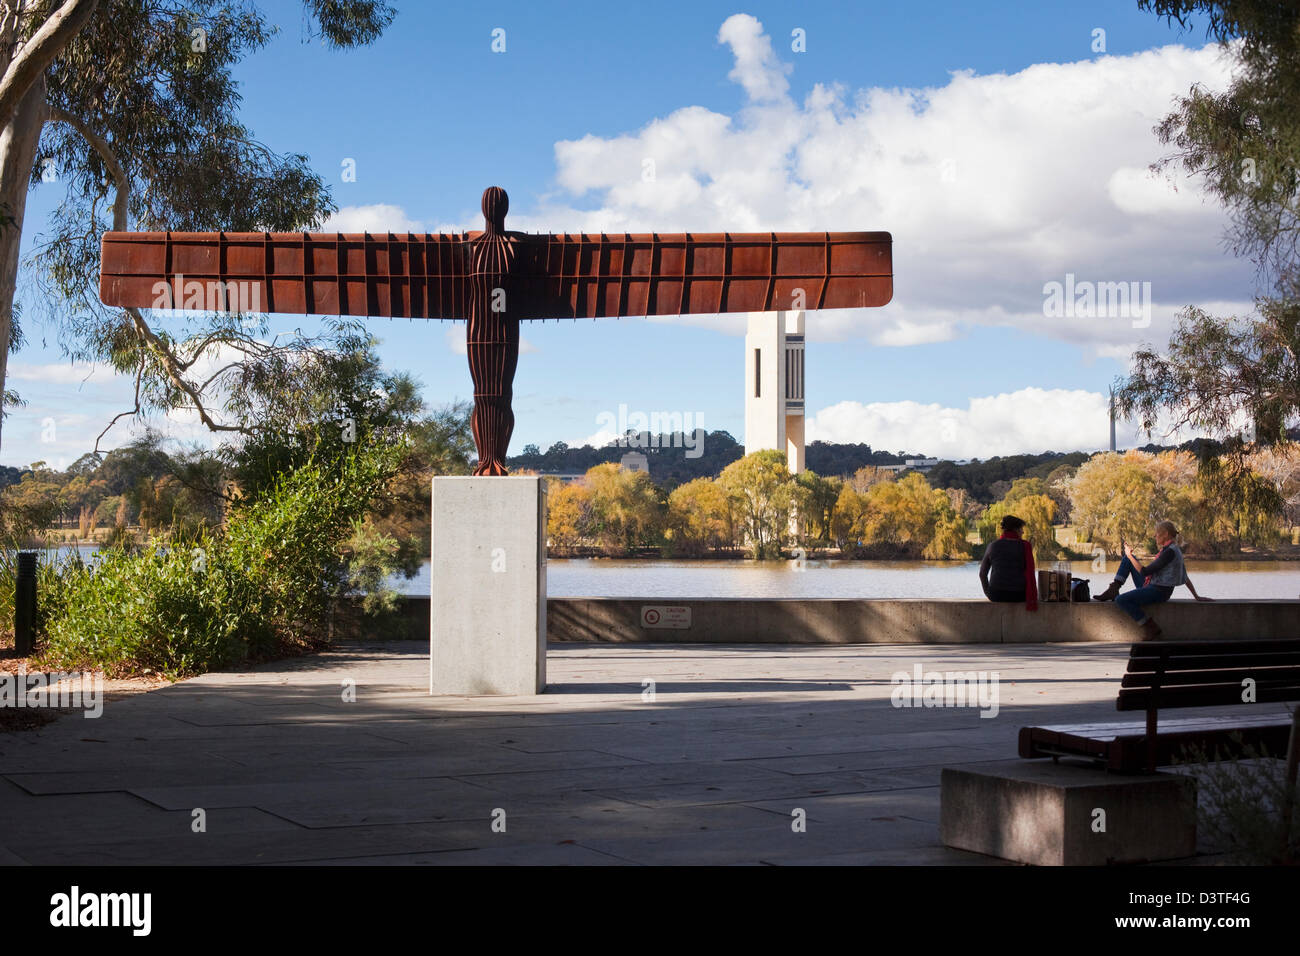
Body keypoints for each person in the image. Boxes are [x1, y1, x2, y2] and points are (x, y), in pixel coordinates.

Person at [1093, 520, 1212, 638]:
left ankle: (1150, 627)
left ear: (1165, 534)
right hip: (1152, 584)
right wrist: (1196, 596)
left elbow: (1145, 571)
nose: (1155, 536)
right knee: (1127, 560)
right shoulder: (1170, 549)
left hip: (1159, 592)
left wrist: (1129, 554)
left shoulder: (1170, 552)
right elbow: (1184, 577)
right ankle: (1113, 589)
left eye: (1157, 533)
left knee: (1121, 600)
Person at [979, 514, 1038, 611]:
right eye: (1021, 529)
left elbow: (982, 574)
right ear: (1015, 529)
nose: (1023, 532)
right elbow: (1029, 573)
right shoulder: (1025, 546)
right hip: (1019, 595)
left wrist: (988, 592)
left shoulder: (992, 546)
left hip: (996, 595)